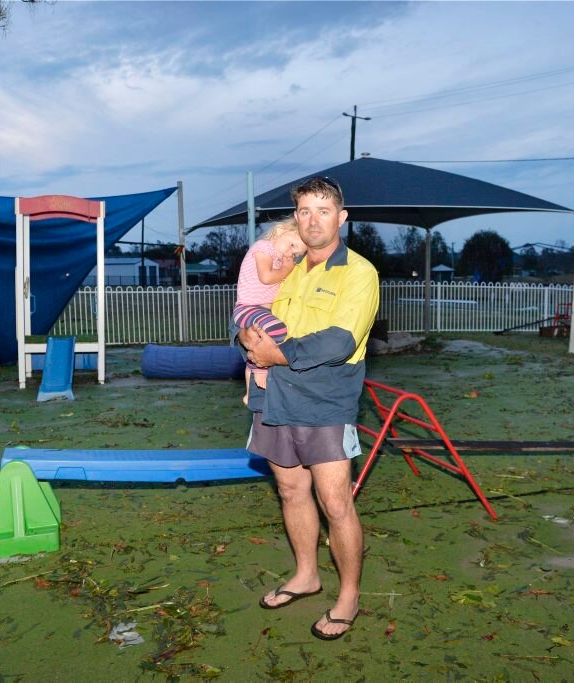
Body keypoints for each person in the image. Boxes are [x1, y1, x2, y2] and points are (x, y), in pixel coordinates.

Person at [238, 176, 379, 641]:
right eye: (303, 211)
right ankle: (306, 575)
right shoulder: (288, 267)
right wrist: (245, 340)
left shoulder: (358, 272)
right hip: (274, 396)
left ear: (341, 218)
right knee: (290, 490)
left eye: (323, 210)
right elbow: (251, 311)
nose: (312, 220)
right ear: (294, 218)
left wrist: (274, 354)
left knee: (336, 501)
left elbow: (339, 341)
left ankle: (349, 596)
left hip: (325, 401)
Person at [231, 219, 306, 405]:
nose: (291, 253)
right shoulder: (264, 247)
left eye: (296, 253)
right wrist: (287, 269)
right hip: (248, 308)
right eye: (291, 244)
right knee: (278, 331)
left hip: (261, 311)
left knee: (266, 338)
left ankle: (250, 393)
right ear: (281, 230)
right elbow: (266, 277)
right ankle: (260, 366)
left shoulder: (280, 259)